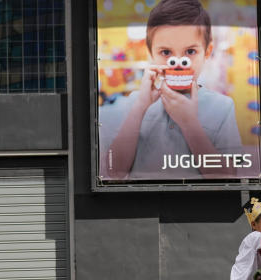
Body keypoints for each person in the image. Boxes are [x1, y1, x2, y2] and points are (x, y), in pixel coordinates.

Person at [98, 0, 243, 180]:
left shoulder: (222, 107)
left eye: (190, 51)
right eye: (166, 52)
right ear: (150, 53)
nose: (178, 62)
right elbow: (116, 172)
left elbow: (228, 177)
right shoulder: (136, 101)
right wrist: (140, 107)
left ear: (207, 52)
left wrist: (189, 123)